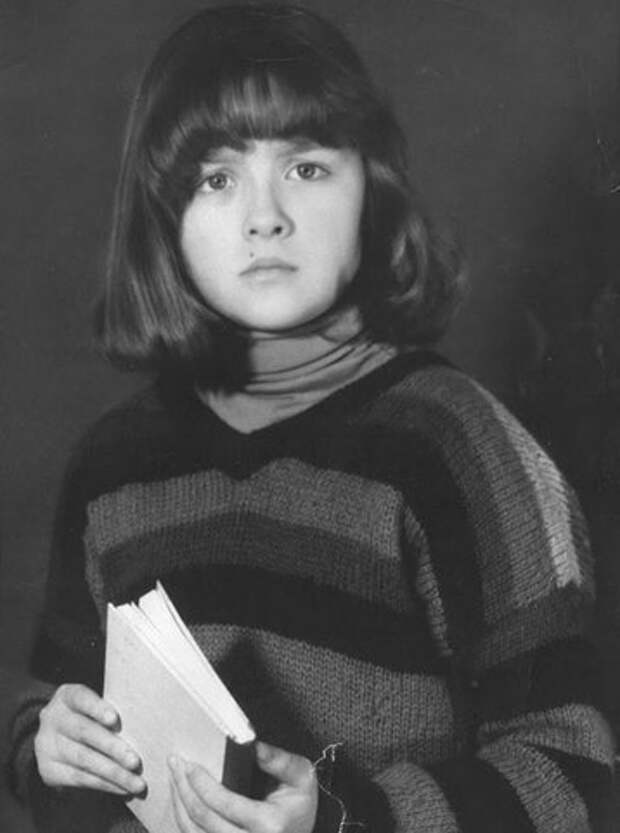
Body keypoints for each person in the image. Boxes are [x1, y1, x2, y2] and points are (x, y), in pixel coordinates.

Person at [7, 4, 615, 832]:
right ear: (162, 220)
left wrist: (341, 817)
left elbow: (579, 771)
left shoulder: (464, 450)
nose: (266, 216)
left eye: (306, 167)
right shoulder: (113, 464)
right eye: (216, 179)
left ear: (374, 188)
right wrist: (42, 742)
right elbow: (57, 705)